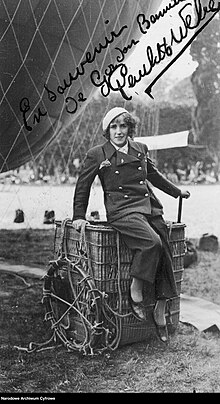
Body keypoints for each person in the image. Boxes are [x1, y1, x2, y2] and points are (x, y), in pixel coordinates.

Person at [72, 107, 190, 342]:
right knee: (152, 243)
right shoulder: (98, 154)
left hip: (147, 205)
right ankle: (135, 292)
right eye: (113, 127)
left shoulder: (140, 149)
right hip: (122, 210)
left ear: (129, 128)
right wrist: (78, 215)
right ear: (107, 130)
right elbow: (83, 186)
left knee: (164, 245)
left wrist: (177, 192)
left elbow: (153, 176)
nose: (118, 131)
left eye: (123, 126)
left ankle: (160, 307)